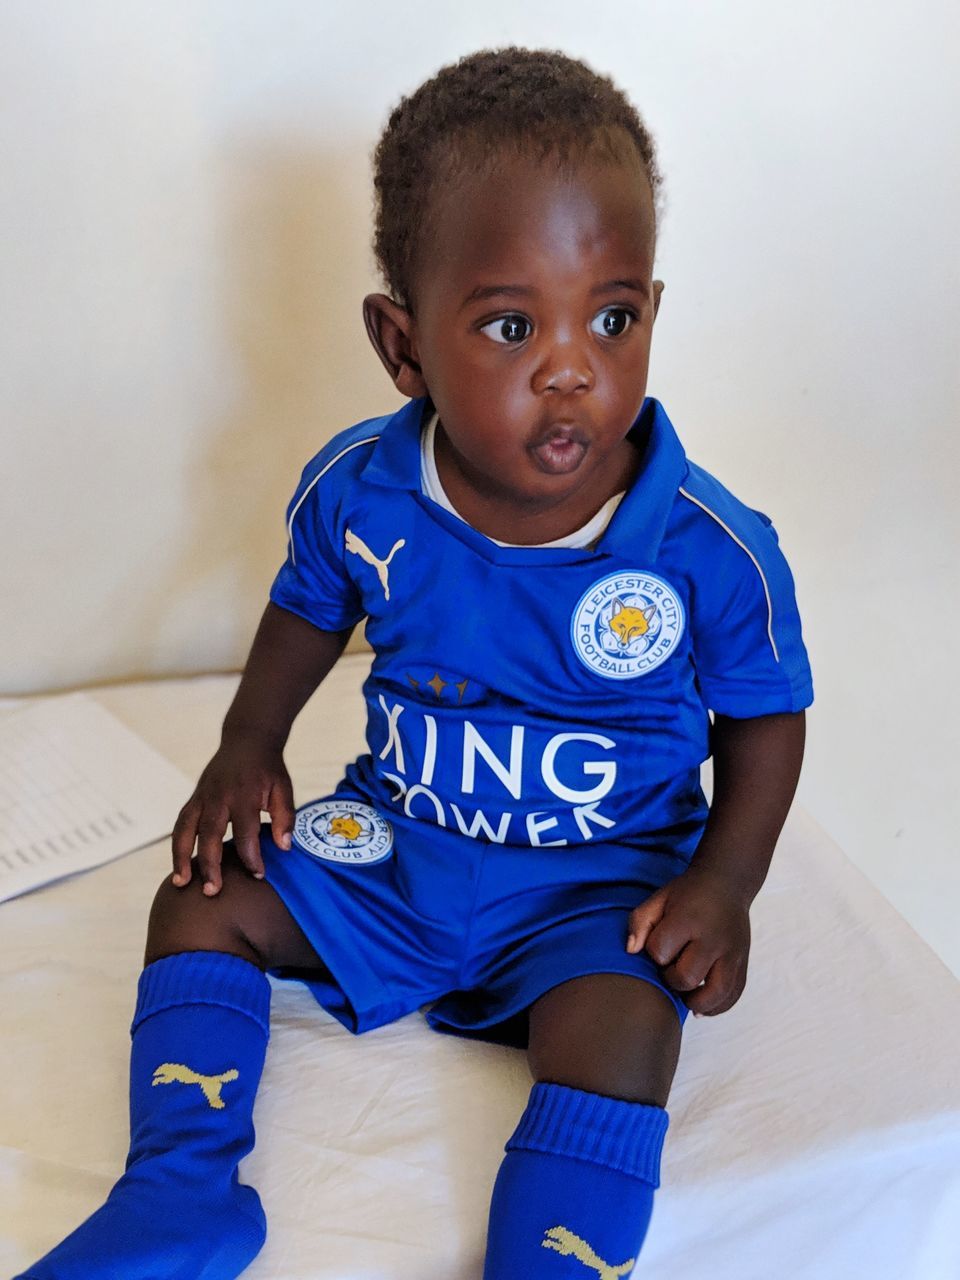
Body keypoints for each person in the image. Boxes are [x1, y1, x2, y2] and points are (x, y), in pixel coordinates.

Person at [17, 45, 812, 1280]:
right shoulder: (363, 490)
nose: (571, 365)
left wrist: (724, 883)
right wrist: (246, 746)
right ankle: (181, 1194)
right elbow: (306, 608)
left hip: (592, 887)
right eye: (510, 324)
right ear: (404, 346)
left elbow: (768, 715)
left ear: (652, 312)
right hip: (398, 846)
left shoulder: (710, 548)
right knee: (200, 895)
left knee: (625, 1022)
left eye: (612, 316)